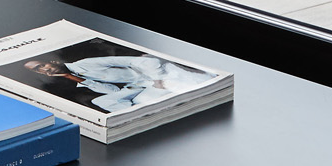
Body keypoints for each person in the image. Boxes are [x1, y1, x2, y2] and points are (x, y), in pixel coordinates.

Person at [18, 50, 214, 113]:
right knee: (101, 101)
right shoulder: (74, 77)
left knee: (199, 89)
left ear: (52, 62)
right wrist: (73, 78)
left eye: (42, 65)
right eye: (38, 70)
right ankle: (137, 112)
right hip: (138, 88)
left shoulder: (85, 64)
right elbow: (112, 92)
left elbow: (138, 61)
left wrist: (157, 79)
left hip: (154, 76)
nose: (43, 70)